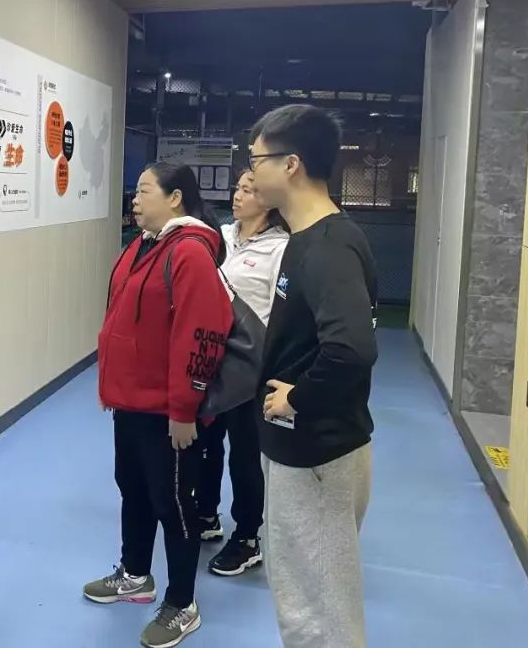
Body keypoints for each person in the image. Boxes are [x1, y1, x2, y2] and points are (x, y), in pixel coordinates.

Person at [84, 162, 233, 648]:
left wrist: (184, 409)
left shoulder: (189, 252)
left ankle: (182, 602)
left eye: (144, 190)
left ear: (175, 198)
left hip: (168, 413)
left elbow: (201, 334)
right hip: (130, 403)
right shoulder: (142, 245)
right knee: (133, 489)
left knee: (175, 505)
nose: (134, 198)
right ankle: (135, 574)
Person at [246, 104, 378, 648]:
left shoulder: (328, 246)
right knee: (303, 596)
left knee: (320, 613)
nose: (250, 172)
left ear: (291, 164)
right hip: (300, 451)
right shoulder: (307, 239)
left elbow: (351, 349)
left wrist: (297, 398)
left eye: (256, 160)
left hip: (317, 452)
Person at [197, 169, 289, 578]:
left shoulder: (281, 248)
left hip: (251, 365)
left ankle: (248, 536)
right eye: (238, 188)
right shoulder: (220, 237)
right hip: (211, 356)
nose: (238, 195)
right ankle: (206, 514)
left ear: (267, 200)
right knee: (205, 442)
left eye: (249, 190)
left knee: (245, 453)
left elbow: (281, 312)